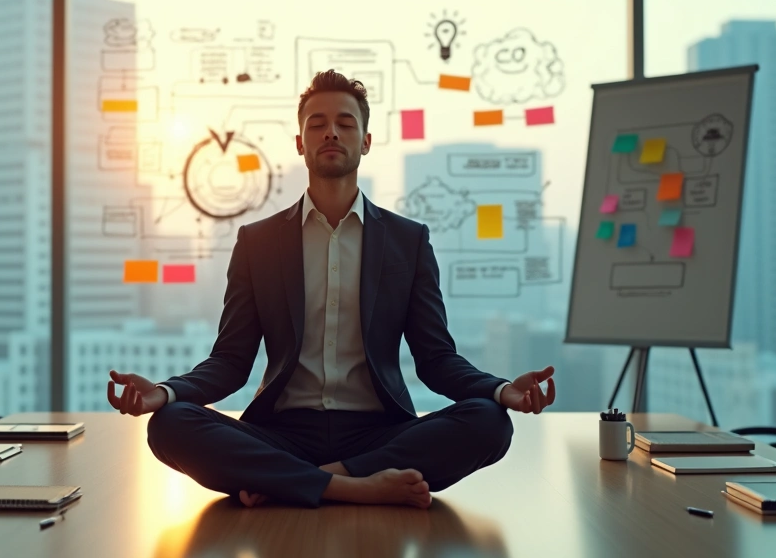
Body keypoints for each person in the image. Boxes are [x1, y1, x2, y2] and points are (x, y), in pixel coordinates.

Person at [108, 69, 556, 509]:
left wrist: (501, 391)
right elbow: (230, 362)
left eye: (345, 123)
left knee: (489, 423)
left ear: (365, 141)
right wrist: (163, 393)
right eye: (317, 124)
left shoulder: (408, 241)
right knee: (170, 425)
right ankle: (358, 488)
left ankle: (309, 483)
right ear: (301, 143)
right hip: (282, 431)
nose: (331, 134)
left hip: (378, 433)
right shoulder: (257, 242)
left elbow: (436, 360)